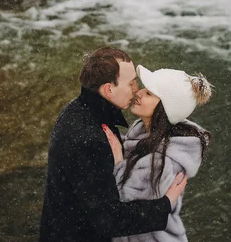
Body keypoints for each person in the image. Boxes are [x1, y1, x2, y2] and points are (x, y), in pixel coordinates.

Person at [39, 47, 188, 242]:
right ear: (109, 89)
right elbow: (109, 220)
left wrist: (119, 162)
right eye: (131, 83)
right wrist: (165, 204)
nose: (136, 89)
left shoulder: (79, 110)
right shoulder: (89, 138)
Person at [104, 64, 213, 242]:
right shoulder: (143, 132)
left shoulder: (163, 161)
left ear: (164, 108)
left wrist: (117, 161)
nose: (138, 93)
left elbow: (125, 207)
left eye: (149, 94)